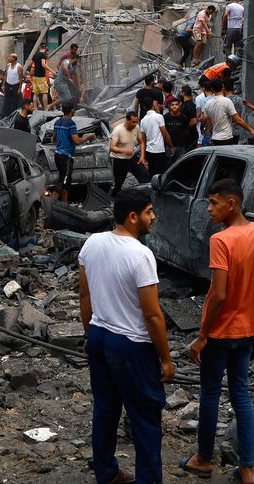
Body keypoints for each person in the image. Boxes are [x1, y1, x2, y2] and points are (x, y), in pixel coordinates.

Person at [78, 188, 173, 484]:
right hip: (130, 345)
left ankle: (106, 472)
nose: (153, 217)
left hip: (100, 336)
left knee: (105, 409)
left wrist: (89, 332)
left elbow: (85, 294)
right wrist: (166, 359)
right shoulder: (140, 255)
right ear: (133, 217)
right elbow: (152, 314)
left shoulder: (92, 243)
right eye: (149, 212)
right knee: (145, 417)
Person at [180, 179, 254, 484]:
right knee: (241, 395)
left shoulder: (221, 240)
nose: (208, 209)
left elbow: (218, 294)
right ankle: (247, 468)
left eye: (213, 203)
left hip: (220, 332)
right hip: (249, 329)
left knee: (209, 393)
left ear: (231, 204)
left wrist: (202, 336)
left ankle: (204, 459)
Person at [53, 103, 96, 203]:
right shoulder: (71, 123)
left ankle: (65, 204)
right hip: (66, 157)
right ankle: (49, 205)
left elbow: (53, 138)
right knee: (63, 182)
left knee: (66, 181)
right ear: (72, 110)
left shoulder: (57, 122)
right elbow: (77, 141)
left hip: (57, 155)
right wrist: (88, 136)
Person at [109, 111, 150, 197]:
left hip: (131, 159)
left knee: (145, 177)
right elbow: (112, 147)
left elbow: (141, 142)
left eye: (137, 122)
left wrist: (142, 156)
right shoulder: (118, 130)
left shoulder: (136, 128)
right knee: (117, 185)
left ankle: (147, 198)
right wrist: (124, 151)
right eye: (133, 122)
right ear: (127, 120)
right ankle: (112, 201)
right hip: (119, 160)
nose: (135, 124)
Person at [203, 79, 254, 145]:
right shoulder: (227, 101)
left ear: (212, 89)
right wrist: (251, 129)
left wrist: (211, 136)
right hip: (226, 138)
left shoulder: (208, 104)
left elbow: (210, 124)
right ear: (223, 88)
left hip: (215, 138)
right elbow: (238, 120)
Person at [138, 98, 173, 177]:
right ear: (153, 105)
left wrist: (143, 154)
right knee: (162, 174)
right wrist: (171, 147)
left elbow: (143, 140)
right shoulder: (159, 117)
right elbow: (165, 134)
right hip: (159, 150)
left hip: (149, 151)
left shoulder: (143, 120)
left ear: (143, 107)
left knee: (152, 173)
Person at [31, 44, 54, 110]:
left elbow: (31, 64)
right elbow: (43, 65)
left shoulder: (35, 55)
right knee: (44, 92)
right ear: (45, 48)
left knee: (35, 93)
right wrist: (52, 71)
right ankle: (46, 108)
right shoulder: (43, 55)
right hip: (41, 76)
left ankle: (35, 108)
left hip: (35, 76)